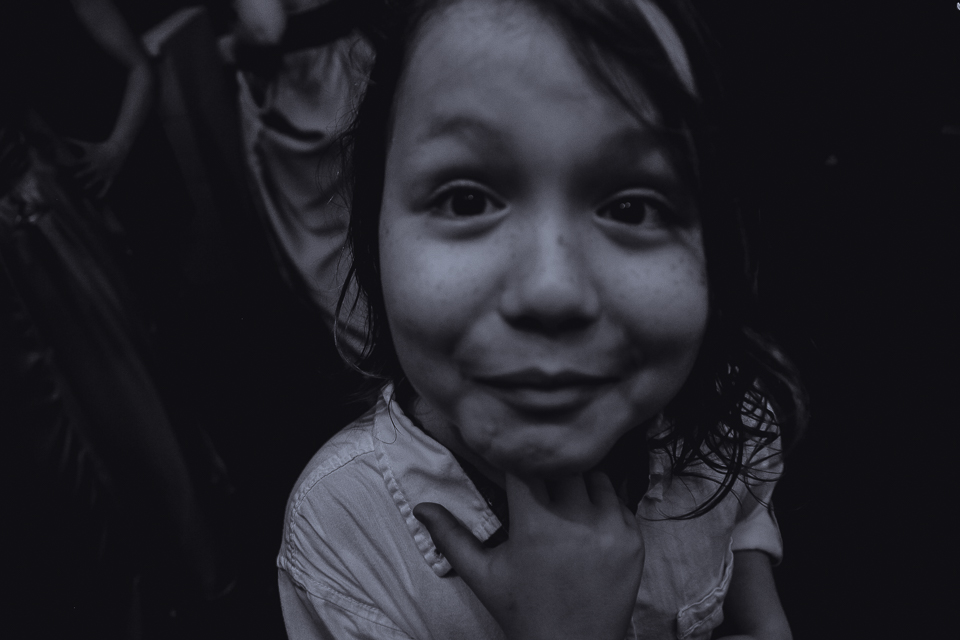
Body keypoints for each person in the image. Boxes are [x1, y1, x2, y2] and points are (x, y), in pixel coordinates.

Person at [277, 1, 807, 639]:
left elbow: (752, 591)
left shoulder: (730, 420)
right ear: (373, 232)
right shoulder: (344, 531)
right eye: (466, 199)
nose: (550, 290)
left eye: (633, 208)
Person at [231, 0, 374, 362]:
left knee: (327, 241)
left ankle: (381, 360)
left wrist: (237, 46)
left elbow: (264, 27)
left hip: (305, 84)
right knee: (366, 212)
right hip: (351, 57)